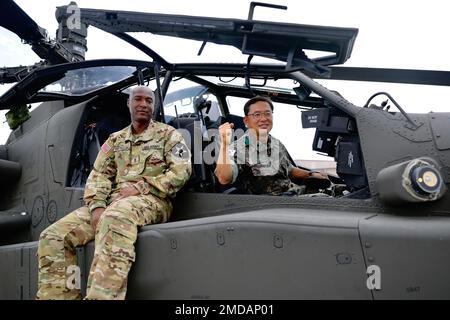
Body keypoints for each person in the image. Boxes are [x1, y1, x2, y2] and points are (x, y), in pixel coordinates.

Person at [36, 86, 192, 300]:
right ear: (129, 104)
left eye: (149, 101)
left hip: (153, 200)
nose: (144, 105)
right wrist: (97, 206)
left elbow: (182, 171)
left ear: (153, 106)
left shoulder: (168, 135)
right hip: (113, 202)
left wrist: (141, 187)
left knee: (115, 217)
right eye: (138, 99)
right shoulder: (115, 140)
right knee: (54, 236)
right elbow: (98, 175)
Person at [215, 96, 328, 195]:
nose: (264, 119)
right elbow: (224, 178)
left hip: (297, 193)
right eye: (257, 114)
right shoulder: (238, 148)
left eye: (267, 113)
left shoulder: (275, 142)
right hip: (276, 205)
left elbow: (288, 169)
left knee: (341, 191)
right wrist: (224, 144)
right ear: (246, 121)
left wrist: (310, 174)